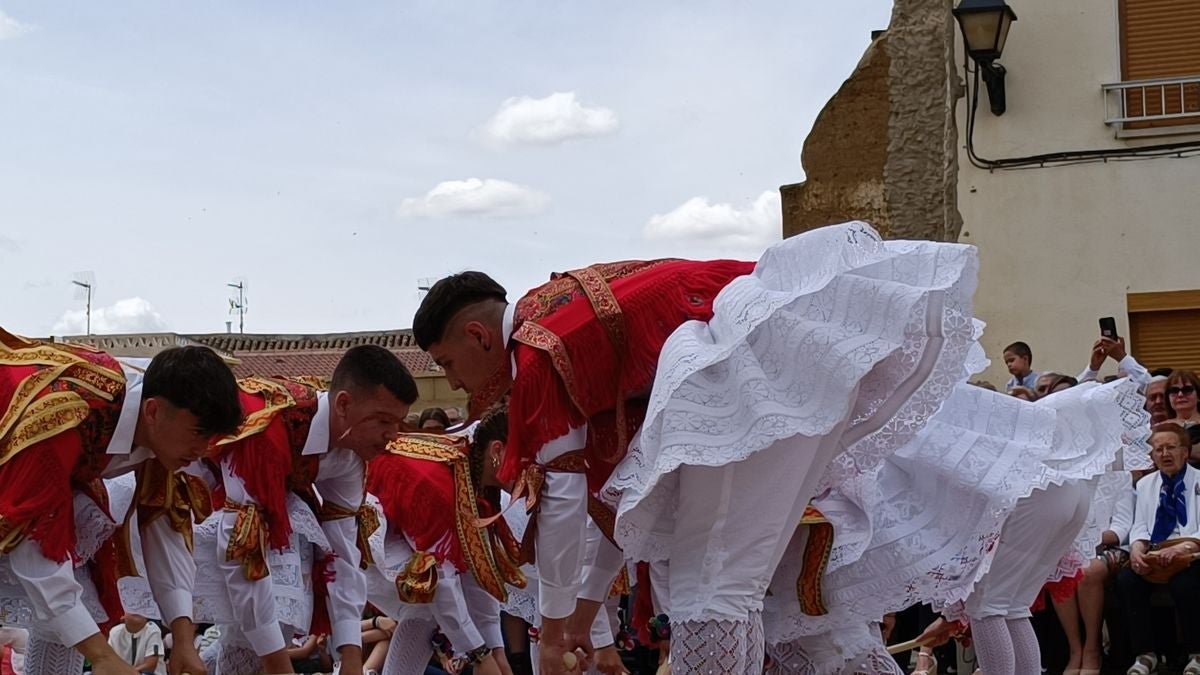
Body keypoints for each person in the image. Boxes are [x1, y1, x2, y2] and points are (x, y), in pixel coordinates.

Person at [413, 221, 981, 674]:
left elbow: (563, 500)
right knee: (782, 607)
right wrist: (580, 615)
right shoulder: (552, 313)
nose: (456, 382)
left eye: (446, 365)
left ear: (479, 336)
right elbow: (614, 499)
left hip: (746, 365)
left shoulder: (537, 352)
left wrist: (557, 627)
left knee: (711, 587)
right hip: (776, 352)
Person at [0, 329, 241, 675]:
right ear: (154, 411)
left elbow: (165, 528)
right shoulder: (64, 413)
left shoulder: (160, 429)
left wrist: (184, 637)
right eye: (198, 434)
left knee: (81, 538)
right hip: (21, 475)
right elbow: (32, 538)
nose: (204, 451)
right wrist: (101, 656)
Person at [211, 345, 417, 675]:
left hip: (260, 520)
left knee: (301, 551)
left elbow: (343, 554)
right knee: (283, 560)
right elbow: (242, 549)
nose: (392, 436)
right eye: (383, 420)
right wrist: (280, 666)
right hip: (198, 502)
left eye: (398, 422)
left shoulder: (351, 454)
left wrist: (350, 658)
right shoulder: (270, 427)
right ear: (344, 404)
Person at [1119, 423, 1200, 675]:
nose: (1165, 454)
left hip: (1193, 550)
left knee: (1185, 584)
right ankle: (1146, 654)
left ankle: (1196, 653)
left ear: (1185, 452)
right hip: (1157, 551)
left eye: (1171, 448)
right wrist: (1137, 550)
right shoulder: (1145, 484)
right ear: (1152, 455)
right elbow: (1141, 526)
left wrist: (1183, 547)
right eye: (1158, 449)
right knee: (1128, 580)